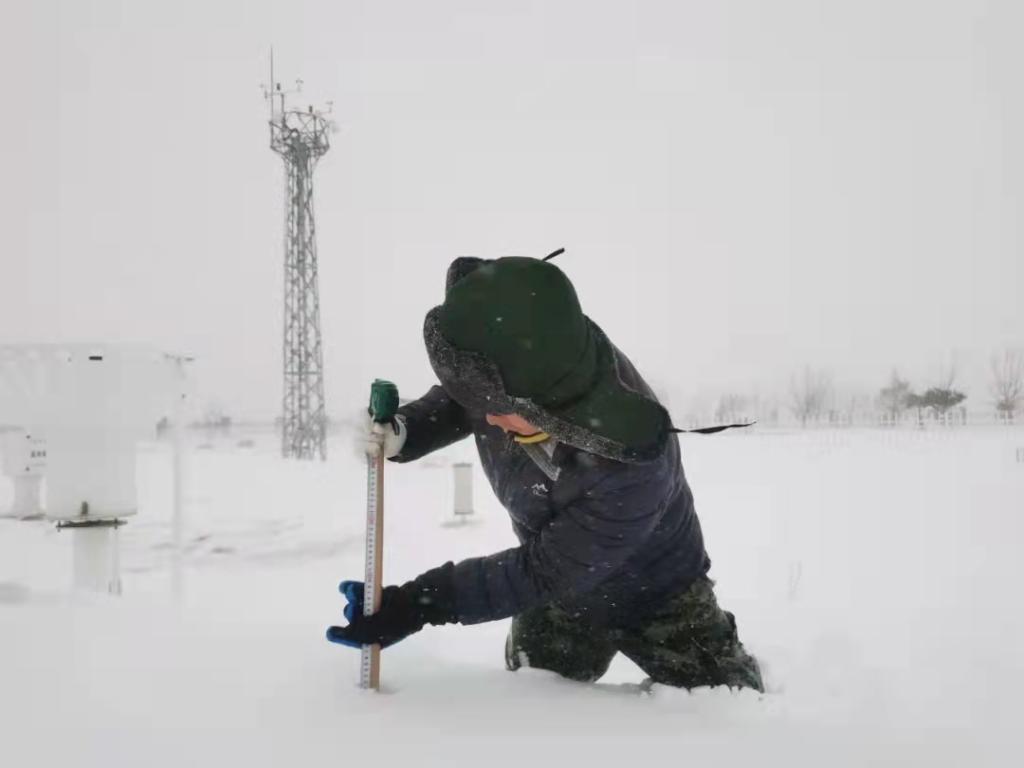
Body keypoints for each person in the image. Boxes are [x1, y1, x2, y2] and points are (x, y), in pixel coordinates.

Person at [327, 253, 764, 692]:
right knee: (535, 700)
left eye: (499, 410)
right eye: (484, 404)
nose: (489, 419)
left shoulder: (629, 469)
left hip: (657, 595)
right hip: (561, 602)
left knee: (730, 706)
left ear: (551, 408)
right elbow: (468, 397)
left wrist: (418, 604)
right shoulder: (516, 368)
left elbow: (541, 571)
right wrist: (407, 430)